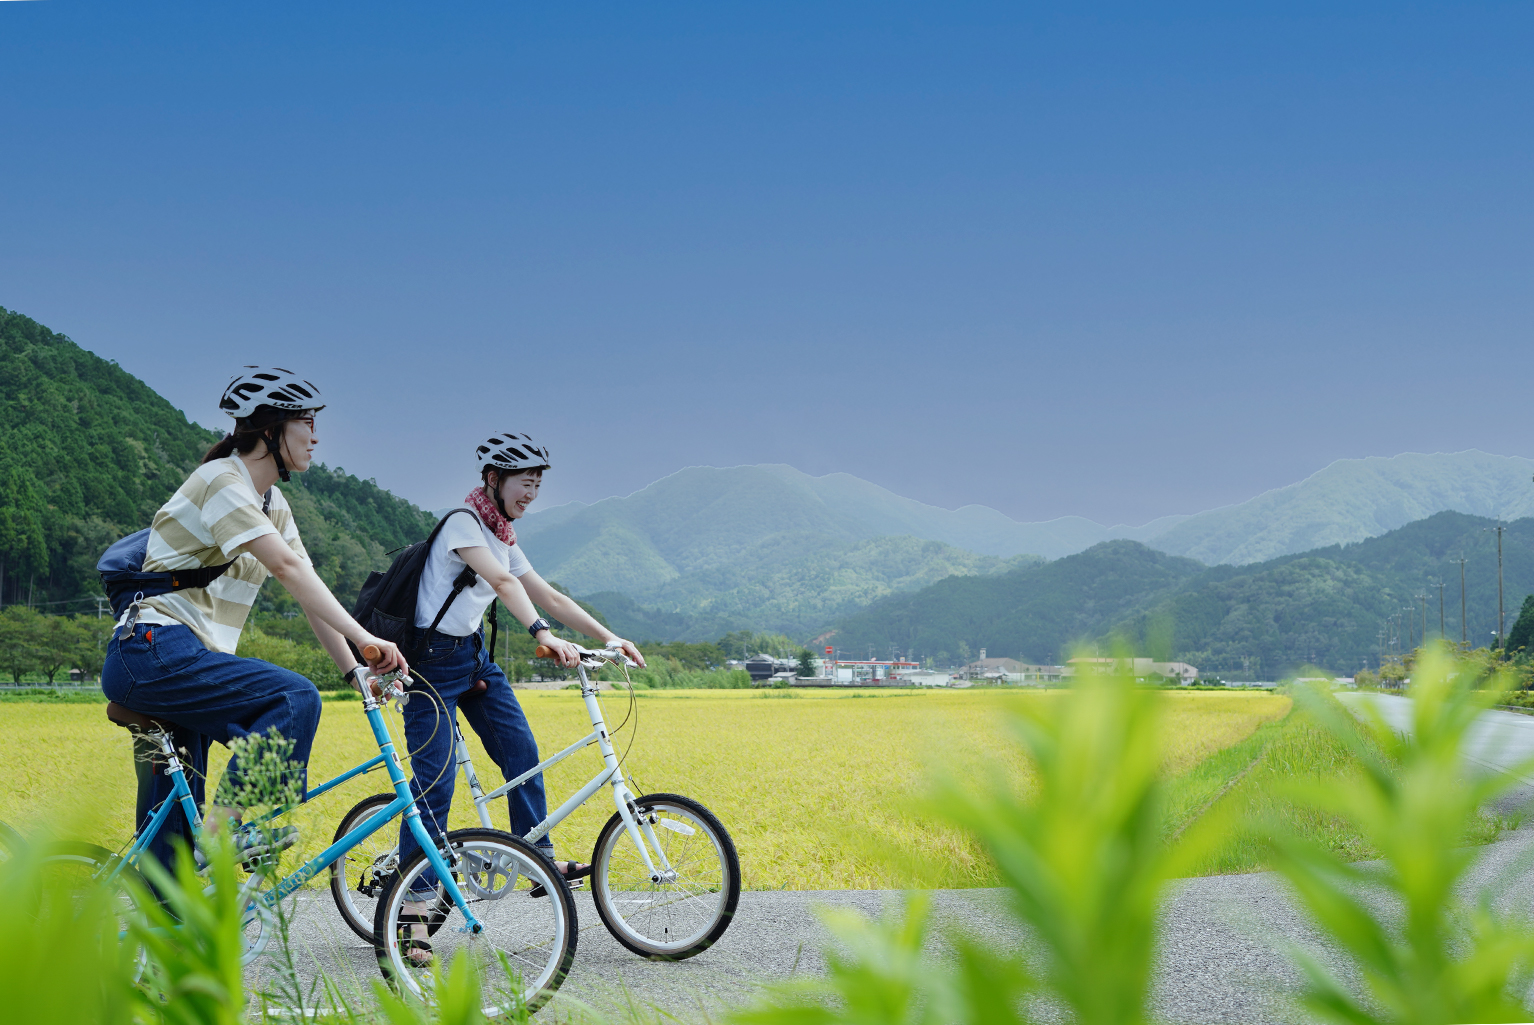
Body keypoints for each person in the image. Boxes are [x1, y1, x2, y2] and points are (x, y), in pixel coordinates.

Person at [101, 367, 408, 871]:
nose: (316, 436)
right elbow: (286, 569)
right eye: (307, 422)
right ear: (270, 429)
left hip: (183, 659)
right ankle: (222, 835)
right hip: (152, 648)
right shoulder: (221, 481)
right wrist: (365, 636)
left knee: (171, 861)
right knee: (293, 697)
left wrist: (356, 670)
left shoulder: (271, 502)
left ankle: (154, 904)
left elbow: (308, 589)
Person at [394, 432, 644, 956]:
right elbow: (506, 586)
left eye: (537, 485)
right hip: (429, 665)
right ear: (493, 480)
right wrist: (543, 635)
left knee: (521, 752)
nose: (531, 493)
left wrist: (610, 637)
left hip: (472, 658)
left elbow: (546, 593)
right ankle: (411, 910)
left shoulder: (502, 535)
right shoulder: (464, 525)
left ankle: (536, 856)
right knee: (435, 784)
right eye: (523, 483)